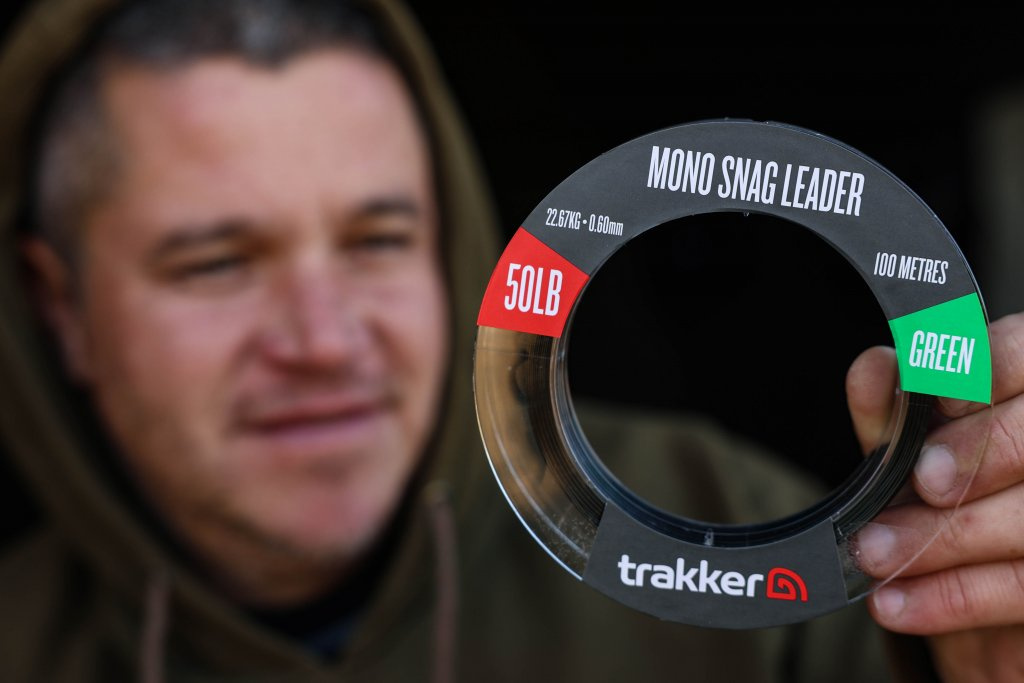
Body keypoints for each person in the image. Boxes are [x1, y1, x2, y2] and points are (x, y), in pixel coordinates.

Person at [0, 0, 1020, 681]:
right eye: (216, 262)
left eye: (379, 239)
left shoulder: (743, 524)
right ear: (60, 307)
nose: (324, 339)